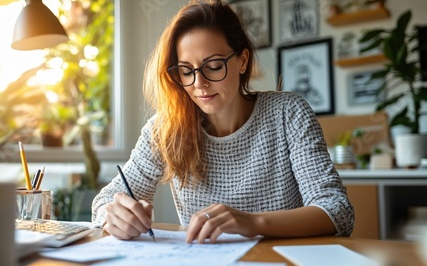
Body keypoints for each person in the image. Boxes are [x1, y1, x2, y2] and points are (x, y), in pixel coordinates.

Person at [91, 0, 354, 243]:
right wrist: (112, 215)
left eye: (214, 66)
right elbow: (104, 201)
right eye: (186, 71)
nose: (199, 83)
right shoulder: (165, 130)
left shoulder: (287, 113)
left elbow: (336, 210)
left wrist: (251, 222)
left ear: (242, 61)